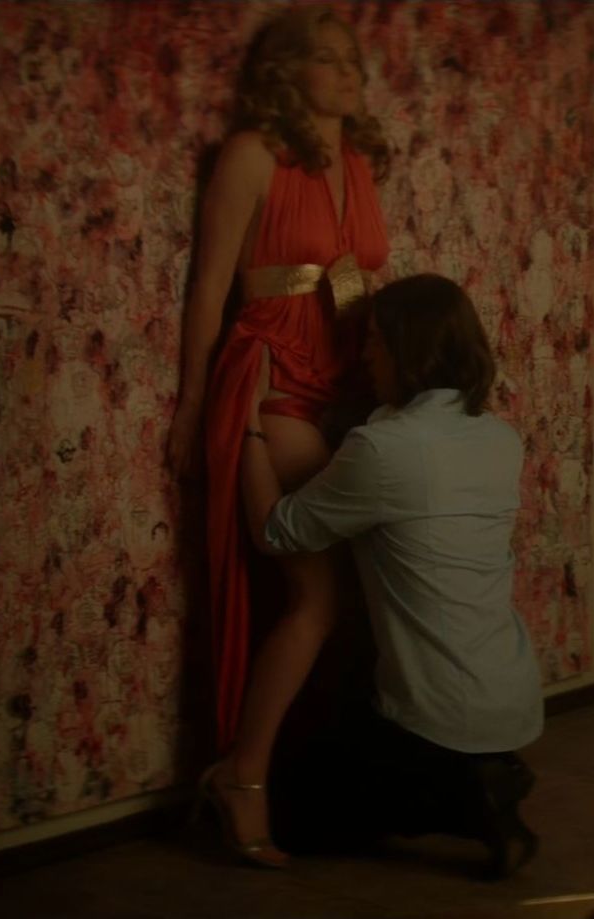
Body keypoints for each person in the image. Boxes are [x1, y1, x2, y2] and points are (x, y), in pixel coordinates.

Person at [166, 7, 391, 868]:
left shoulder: (358, 161)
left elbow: (361, 283)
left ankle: (312, 773)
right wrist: (192, 405)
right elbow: (210, 287)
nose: (347, 71)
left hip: (343, 387)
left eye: (351, 59)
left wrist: (393, 393)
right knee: (316, 592)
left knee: (365, 588)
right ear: (286, 72)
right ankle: (242, 774)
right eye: (326, 59)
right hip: (272, 382)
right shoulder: (252, 155)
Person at [240, 273, 544, 878]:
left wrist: (245, 425)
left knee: (298, 818)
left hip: (437, 714)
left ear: (410, 350)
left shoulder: (385, 450)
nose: (364, 355)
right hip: (509, 695)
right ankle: (483, 776)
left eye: (376, 341)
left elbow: (277, 532)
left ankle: (465, 801)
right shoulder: (498, 438)